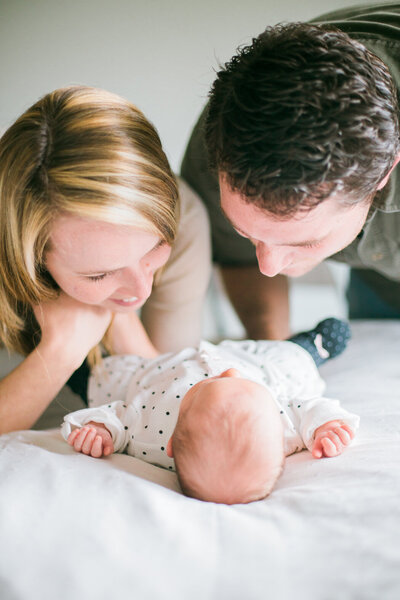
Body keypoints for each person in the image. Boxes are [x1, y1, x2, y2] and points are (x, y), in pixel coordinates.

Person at [181, 3, 400, 340]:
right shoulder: (227, 131)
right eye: (248, 233)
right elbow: (239, 260)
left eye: (306, 242)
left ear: (383, 175)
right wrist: (275, 354)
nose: (269, 267)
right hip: (377, 283)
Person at [0, 85, 211, 434]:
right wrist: (61, 350)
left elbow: (174, 399)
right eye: (99, 274)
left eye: (154, 248)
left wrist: (119, 319)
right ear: (34, 260)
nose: (141, 289)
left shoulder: (184, 218)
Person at [61, 316, 358, 504]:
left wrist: (99, 430)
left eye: (206, 387)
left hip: (156, 373)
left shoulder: (144, 434)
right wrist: (325, 427)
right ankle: (314, 346)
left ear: (171, 445)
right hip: (258, 368)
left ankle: (66, 365)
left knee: (98, 379)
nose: (229, 373)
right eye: (239, 384)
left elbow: (116, 416)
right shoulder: (282, 428)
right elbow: (307, 409)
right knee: (293, 362)